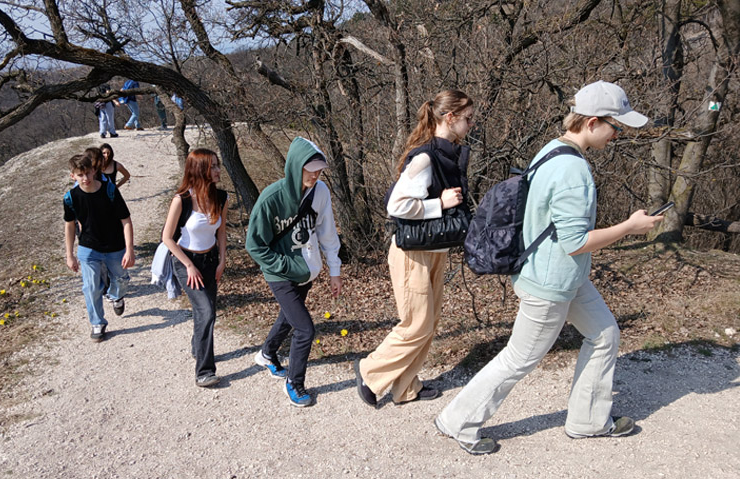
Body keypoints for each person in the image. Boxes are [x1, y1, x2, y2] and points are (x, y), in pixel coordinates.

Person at [434, 81, 664, 455]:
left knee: (605, 335)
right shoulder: (574, 171)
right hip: (550, 282)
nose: (617, 135)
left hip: (562, 276)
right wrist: (630, 227)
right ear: (591, 123)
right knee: (519, 358)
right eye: (616, 127)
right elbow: (574, 242)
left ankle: (589, 421)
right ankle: (457, 420)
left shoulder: (552, 150)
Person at [353, 90, 473, 408]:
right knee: (416, 324)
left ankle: (406, 387)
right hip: (412, 253)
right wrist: (439, 204)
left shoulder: (448, 154)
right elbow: (396, 205)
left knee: (429, 323)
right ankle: (369, 371)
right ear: (450, 117)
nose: (471, 124)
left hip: (435, 248)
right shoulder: (424, 157)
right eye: (468, 118)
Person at [245, 136, 342, 407]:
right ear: (295, 166)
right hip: (281, 273)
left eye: (319, 169)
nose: (315, 175)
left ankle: (266, 354)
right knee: (305, 329)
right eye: (309, 169)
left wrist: (335, 270)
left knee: (289, 318)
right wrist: (283, 266)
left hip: (306, 270)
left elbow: (327, 232)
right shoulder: (271, 199)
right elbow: (254, 245)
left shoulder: (320, 192)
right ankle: (294, 382)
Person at [162, 149, 228, 388]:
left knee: (206, 312)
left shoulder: (221, 197)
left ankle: (196, 347)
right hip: (185, 262)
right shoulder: (182, 200)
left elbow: (221, 232)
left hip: (210, 261)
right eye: (213, 167)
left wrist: (221, 260)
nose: (218, 170)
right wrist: (188, 265)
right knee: (207, 312)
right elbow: (167, 238)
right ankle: (204, 371)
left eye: (218, 165)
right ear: (199, 170)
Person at [64, 154, 135, 342]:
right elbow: (70, 225)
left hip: (115, 246)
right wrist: (69, 255)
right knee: (91, 287)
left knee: (121, 278)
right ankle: (97, 323)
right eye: (80, 175)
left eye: (87, 173)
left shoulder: (109, 190)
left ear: (94, 171)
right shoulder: (71, 197)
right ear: (73, 176)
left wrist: (129, 249)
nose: (85, 178)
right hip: (88, 248)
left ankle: (116, 296)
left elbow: (126, 220)